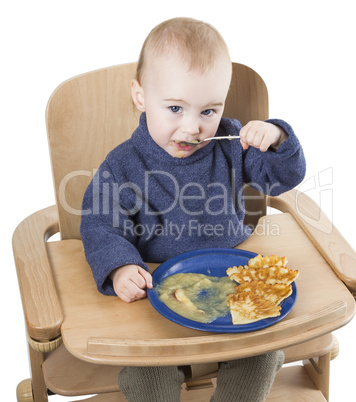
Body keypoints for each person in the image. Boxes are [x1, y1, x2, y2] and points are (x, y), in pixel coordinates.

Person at [80, 17, 305, 402]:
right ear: (140, 96)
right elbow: (101, 225)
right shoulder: (123, 165)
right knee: (146, 373)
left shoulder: (232, 144)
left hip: (234, 291)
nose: (193, 128)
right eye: (174, 108)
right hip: (156, 299)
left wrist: (277, 139)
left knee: (263, 357)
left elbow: (282, 178)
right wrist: (119, 267)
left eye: (207, 111)